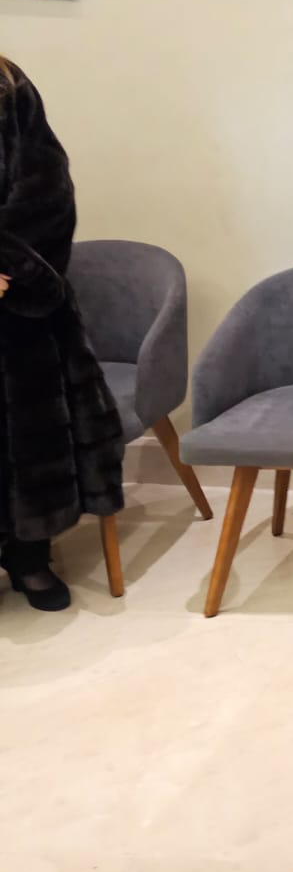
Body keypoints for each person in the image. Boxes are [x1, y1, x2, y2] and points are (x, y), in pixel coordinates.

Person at [0, 56, 124, 613]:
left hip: (14, 309)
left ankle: (29, 555)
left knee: (26, 438)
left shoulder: (8, 87)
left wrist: (11, 266)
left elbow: (47, 191)